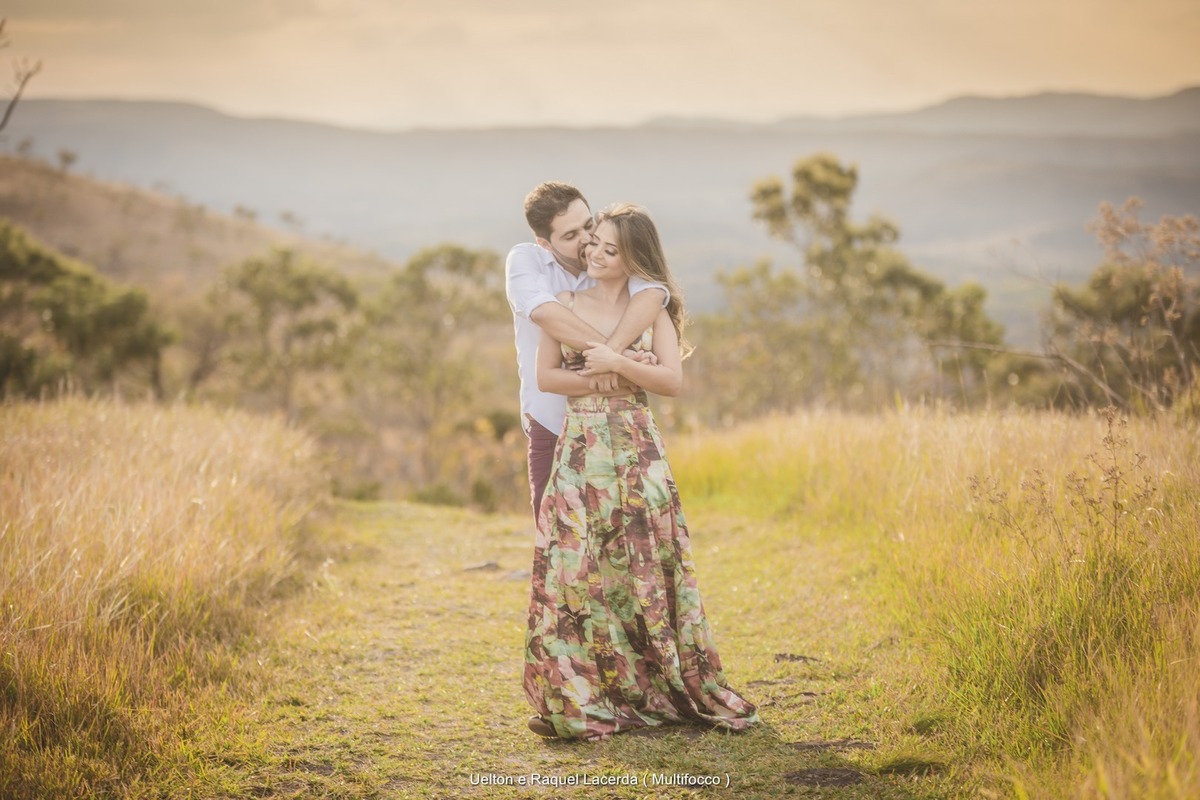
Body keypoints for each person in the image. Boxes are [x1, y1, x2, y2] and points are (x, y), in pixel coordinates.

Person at [523, 203, 759, 741]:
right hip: (581, 447)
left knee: (645, 568)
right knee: (576, 570)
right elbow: (548, 377)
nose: (596, 254)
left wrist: (617, 365)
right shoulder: (563, 303)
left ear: (634, 257)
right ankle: (580, 696)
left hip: (635, 449)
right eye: (594, 244)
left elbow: (671, 381)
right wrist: (607, 377)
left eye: (611, 248)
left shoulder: (651, 306)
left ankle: (652, 688)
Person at [505, 182, 667, 520]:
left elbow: (652, 292)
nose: (586, 240)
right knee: (556, 540)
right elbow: (545, 312)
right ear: (545, 244)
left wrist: (613, 359)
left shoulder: (609, 259)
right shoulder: (526, 261)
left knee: (624, 538)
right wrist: (614, 364)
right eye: (570, 235)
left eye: (587, 225)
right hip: (553, 423)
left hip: (615, 426)